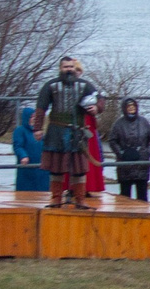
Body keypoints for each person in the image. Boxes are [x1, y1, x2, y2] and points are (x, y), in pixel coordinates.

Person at [32, 57, 101, 209]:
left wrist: (96, 108)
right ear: (60, 68)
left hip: (78, 133)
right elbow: (41, 108)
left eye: (71, 66)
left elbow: (99, 99)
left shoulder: (85, 85)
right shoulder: (51, 86)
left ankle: (80, 200)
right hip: (56, 131)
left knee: (79, 168)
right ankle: (56, 199)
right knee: (56, 167)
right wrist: (37, 128)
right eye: (65, 67)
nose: (69, 69)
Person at [107, 97, 150, 202]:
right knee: (125, 196)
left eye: (133, 106)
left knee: (142, 196)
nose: (131, 108)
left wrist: (148, 152)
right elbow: (112, 140)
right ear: (124, 108)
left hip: (142, 163)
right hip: (125, 164)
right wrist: (121, 153)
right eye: (129, 106)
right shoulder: (118, 124)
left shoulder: (144, 122)